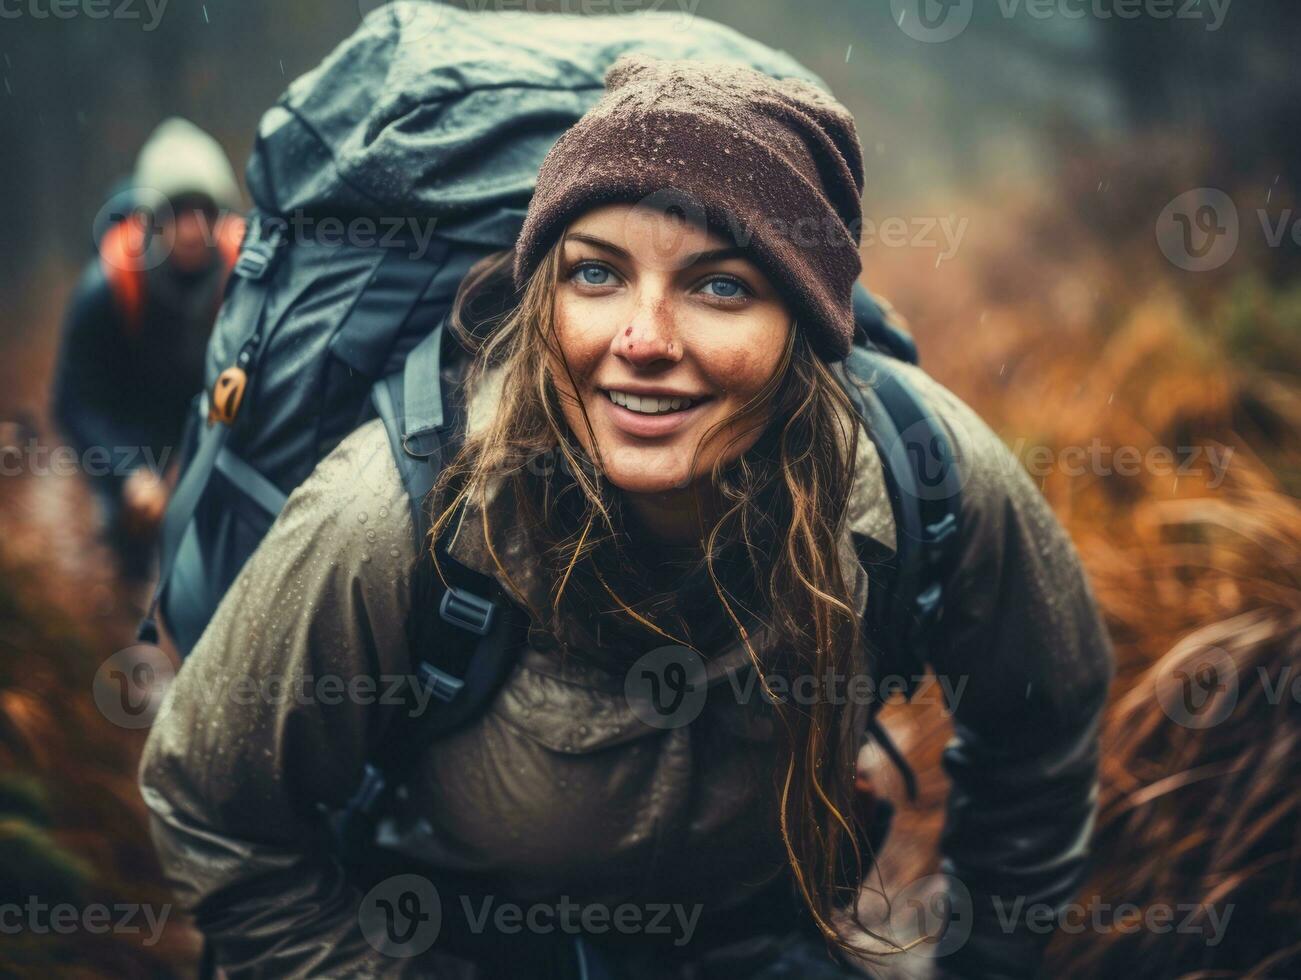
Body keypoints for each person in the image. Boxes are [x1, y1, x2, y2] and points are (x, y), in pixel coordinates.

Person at [139, 56, 1113, 979]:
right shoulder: (401, 509)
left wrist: (982, 959)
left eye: (720, 285)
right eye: (595, 274)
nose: (642, 340)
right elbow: (212, 804)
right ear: (542, 297)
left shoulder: (922, 475)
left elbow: (1043, 722)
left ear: (806, 329)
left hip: (768, 938)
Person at [53, 117, 244, 581]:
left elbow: (246, 372)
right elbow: (74, 402)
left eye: (204, 212)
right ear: (149, 220)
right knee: (135, 559)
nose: (192, 229)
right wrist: (129, 474)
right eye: (177, 213)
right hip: (131, 438)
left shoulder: (245, 279)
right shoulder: (107, 289)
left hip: (212, 432)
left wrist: (207, 446)